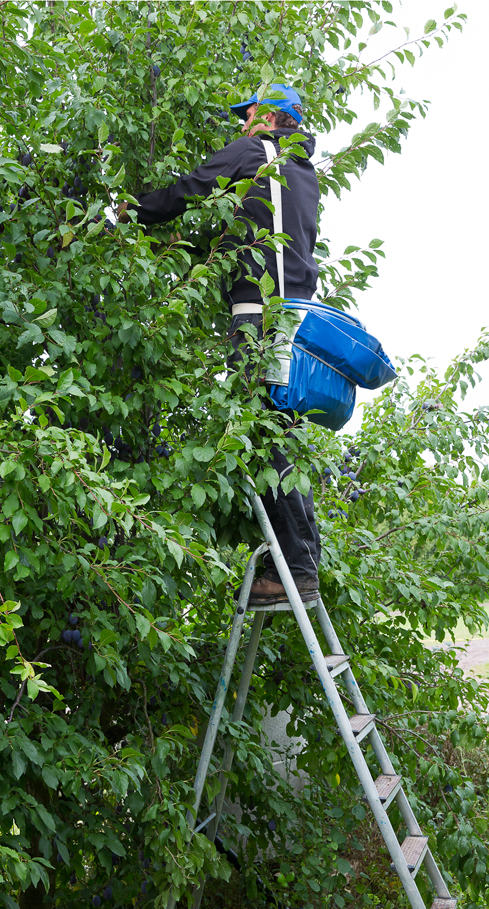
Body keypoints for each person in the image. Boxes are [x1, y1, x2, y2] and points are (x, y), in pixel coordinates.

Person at [120, 83, 321, 605]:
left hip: (261, 314)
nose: (241, 122)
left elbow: (189, 188)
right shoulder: (304, 172)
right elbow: (256, 235)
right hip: (295, 316)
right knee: (283, 433)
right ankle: (301, 561)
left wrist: (127, 212)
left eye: (248, 112)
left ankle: (295, 568)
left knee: (260, 430)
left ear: (270, 117)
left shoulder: (258, 152)